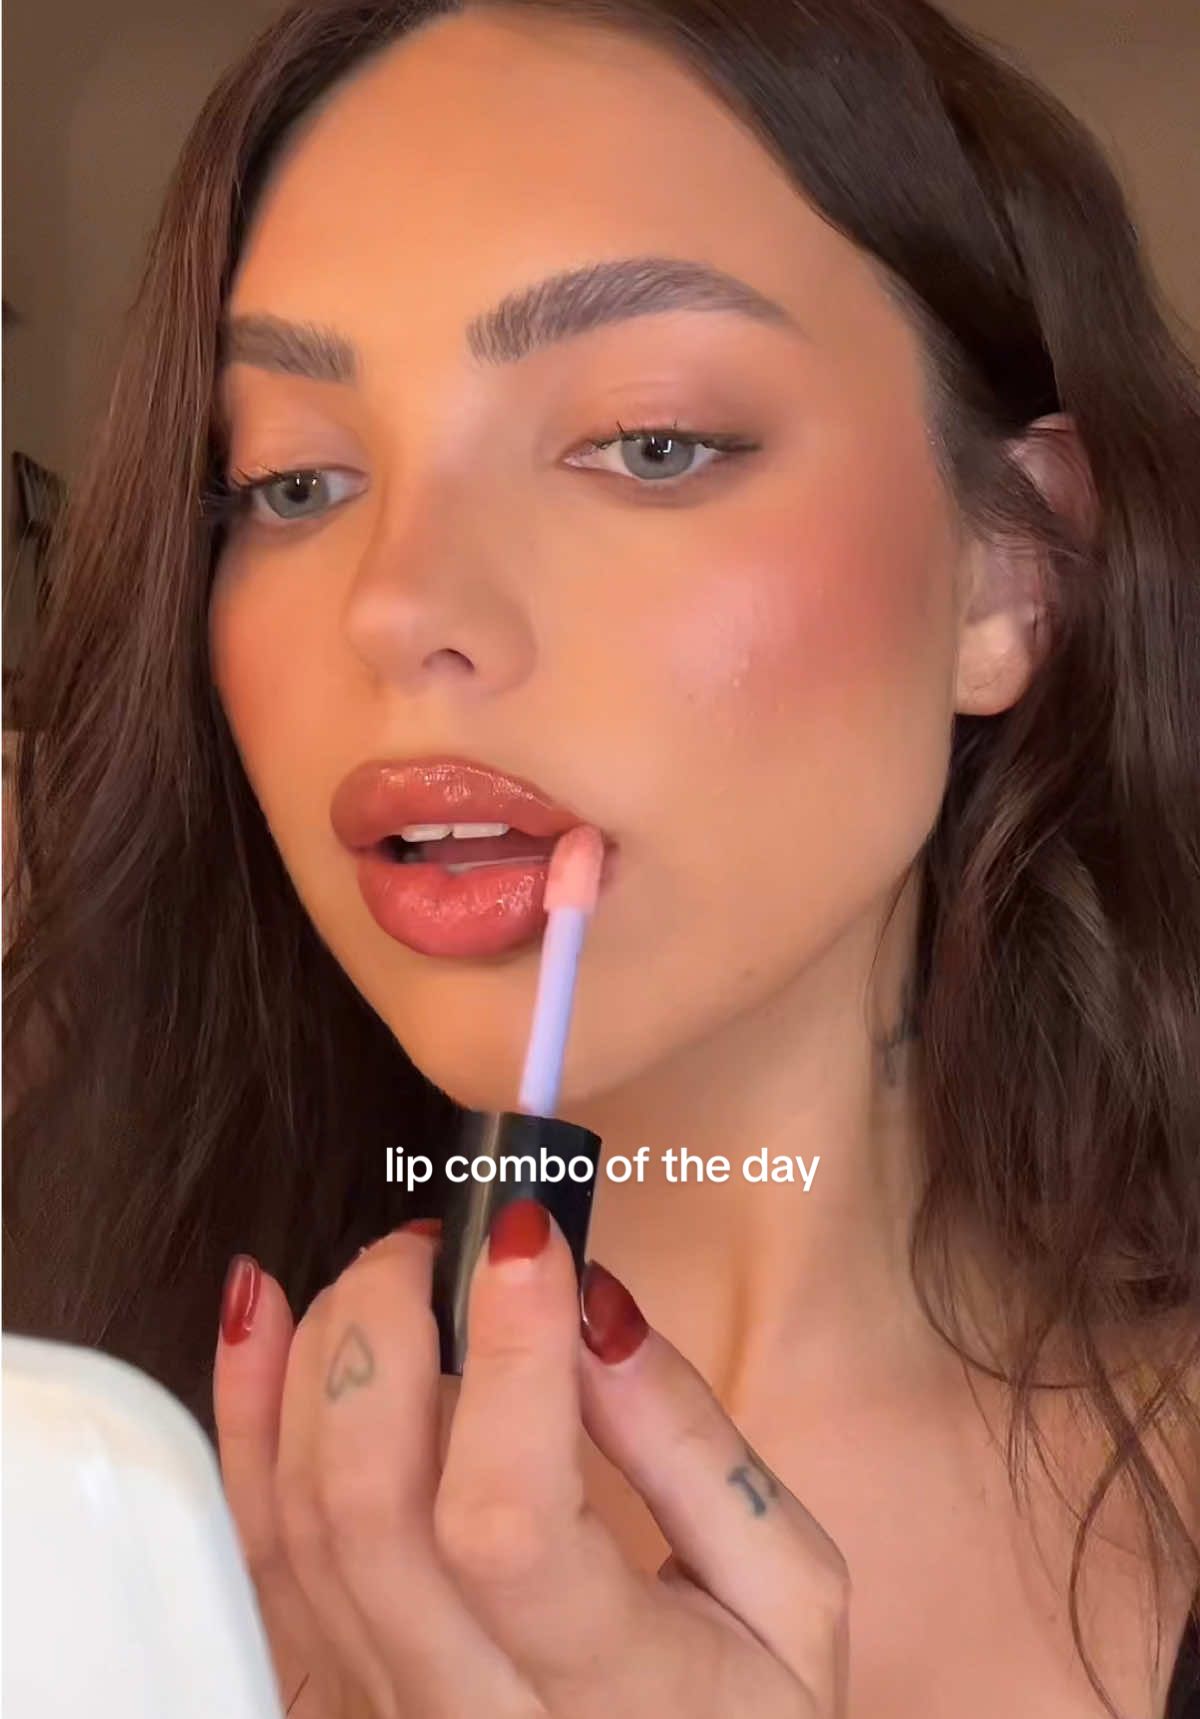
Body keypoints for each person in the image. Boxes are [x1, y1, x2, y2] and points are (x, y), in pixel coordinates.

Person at [4, 1, 1198, 1714]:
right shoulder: (66, 1480)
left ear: (1011, 578)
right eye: (291, 482)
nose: (397, 603)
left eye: (650, 442)